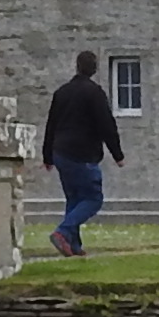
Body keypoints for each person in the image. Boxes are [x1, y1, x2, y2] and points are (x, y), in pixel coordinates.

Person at [42, 48, 125, 259]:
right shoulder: (94, 93)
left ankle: (73, 245)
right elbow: (107, 125)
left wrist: (47, 156)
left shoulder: (61, 92)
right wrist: (117, 154)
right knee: (93, 198)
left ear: (77, 67)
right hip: (82, 154)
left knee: (74, 199)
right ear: (94, 69)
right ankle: (62, 232)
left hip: (60, 152)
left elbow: (51, 125)